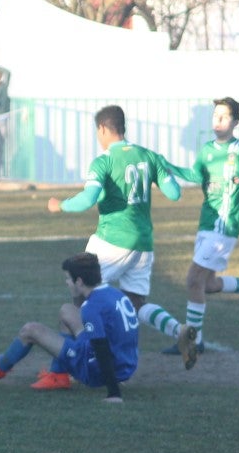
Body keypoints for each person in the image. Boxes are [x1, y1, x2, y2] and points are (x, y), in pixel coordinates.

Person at [140, 98, 239, 368]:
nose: (218, 121)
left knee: (193, 279)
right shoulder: (207, 150)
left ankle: (194, 341)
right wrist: (168, 166)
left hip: (225, 225)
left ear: (235, 122)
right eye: (216, 116)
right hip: (206, 223)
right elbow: (195, 176)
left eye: (224, 117)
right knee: (208, 284)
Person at [47, 104, 184, 341]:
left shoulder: (104, 161)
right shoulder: (148, 156)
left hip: (112, 240)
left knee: (79, 291)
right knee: (136, 303)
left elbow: (87, 199)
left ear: (102, 128)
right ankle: (178, 330)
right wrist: (162, 171)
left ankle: (74, 354)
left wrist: (60, 205)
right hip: (143, 243)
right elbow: (174, 193)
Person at [0, 252, 138, 402]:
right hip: (125, 363)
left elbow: (101, 349)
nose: (66, 282)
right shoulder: (114, 293)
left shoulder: (91, 307)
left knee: (30, 330)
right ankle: (58, 375)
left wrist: (114, 393)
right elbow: (85, 315)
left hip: (94, 370)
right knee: (67, 310)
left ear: (79, 281)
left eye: (68, 278)